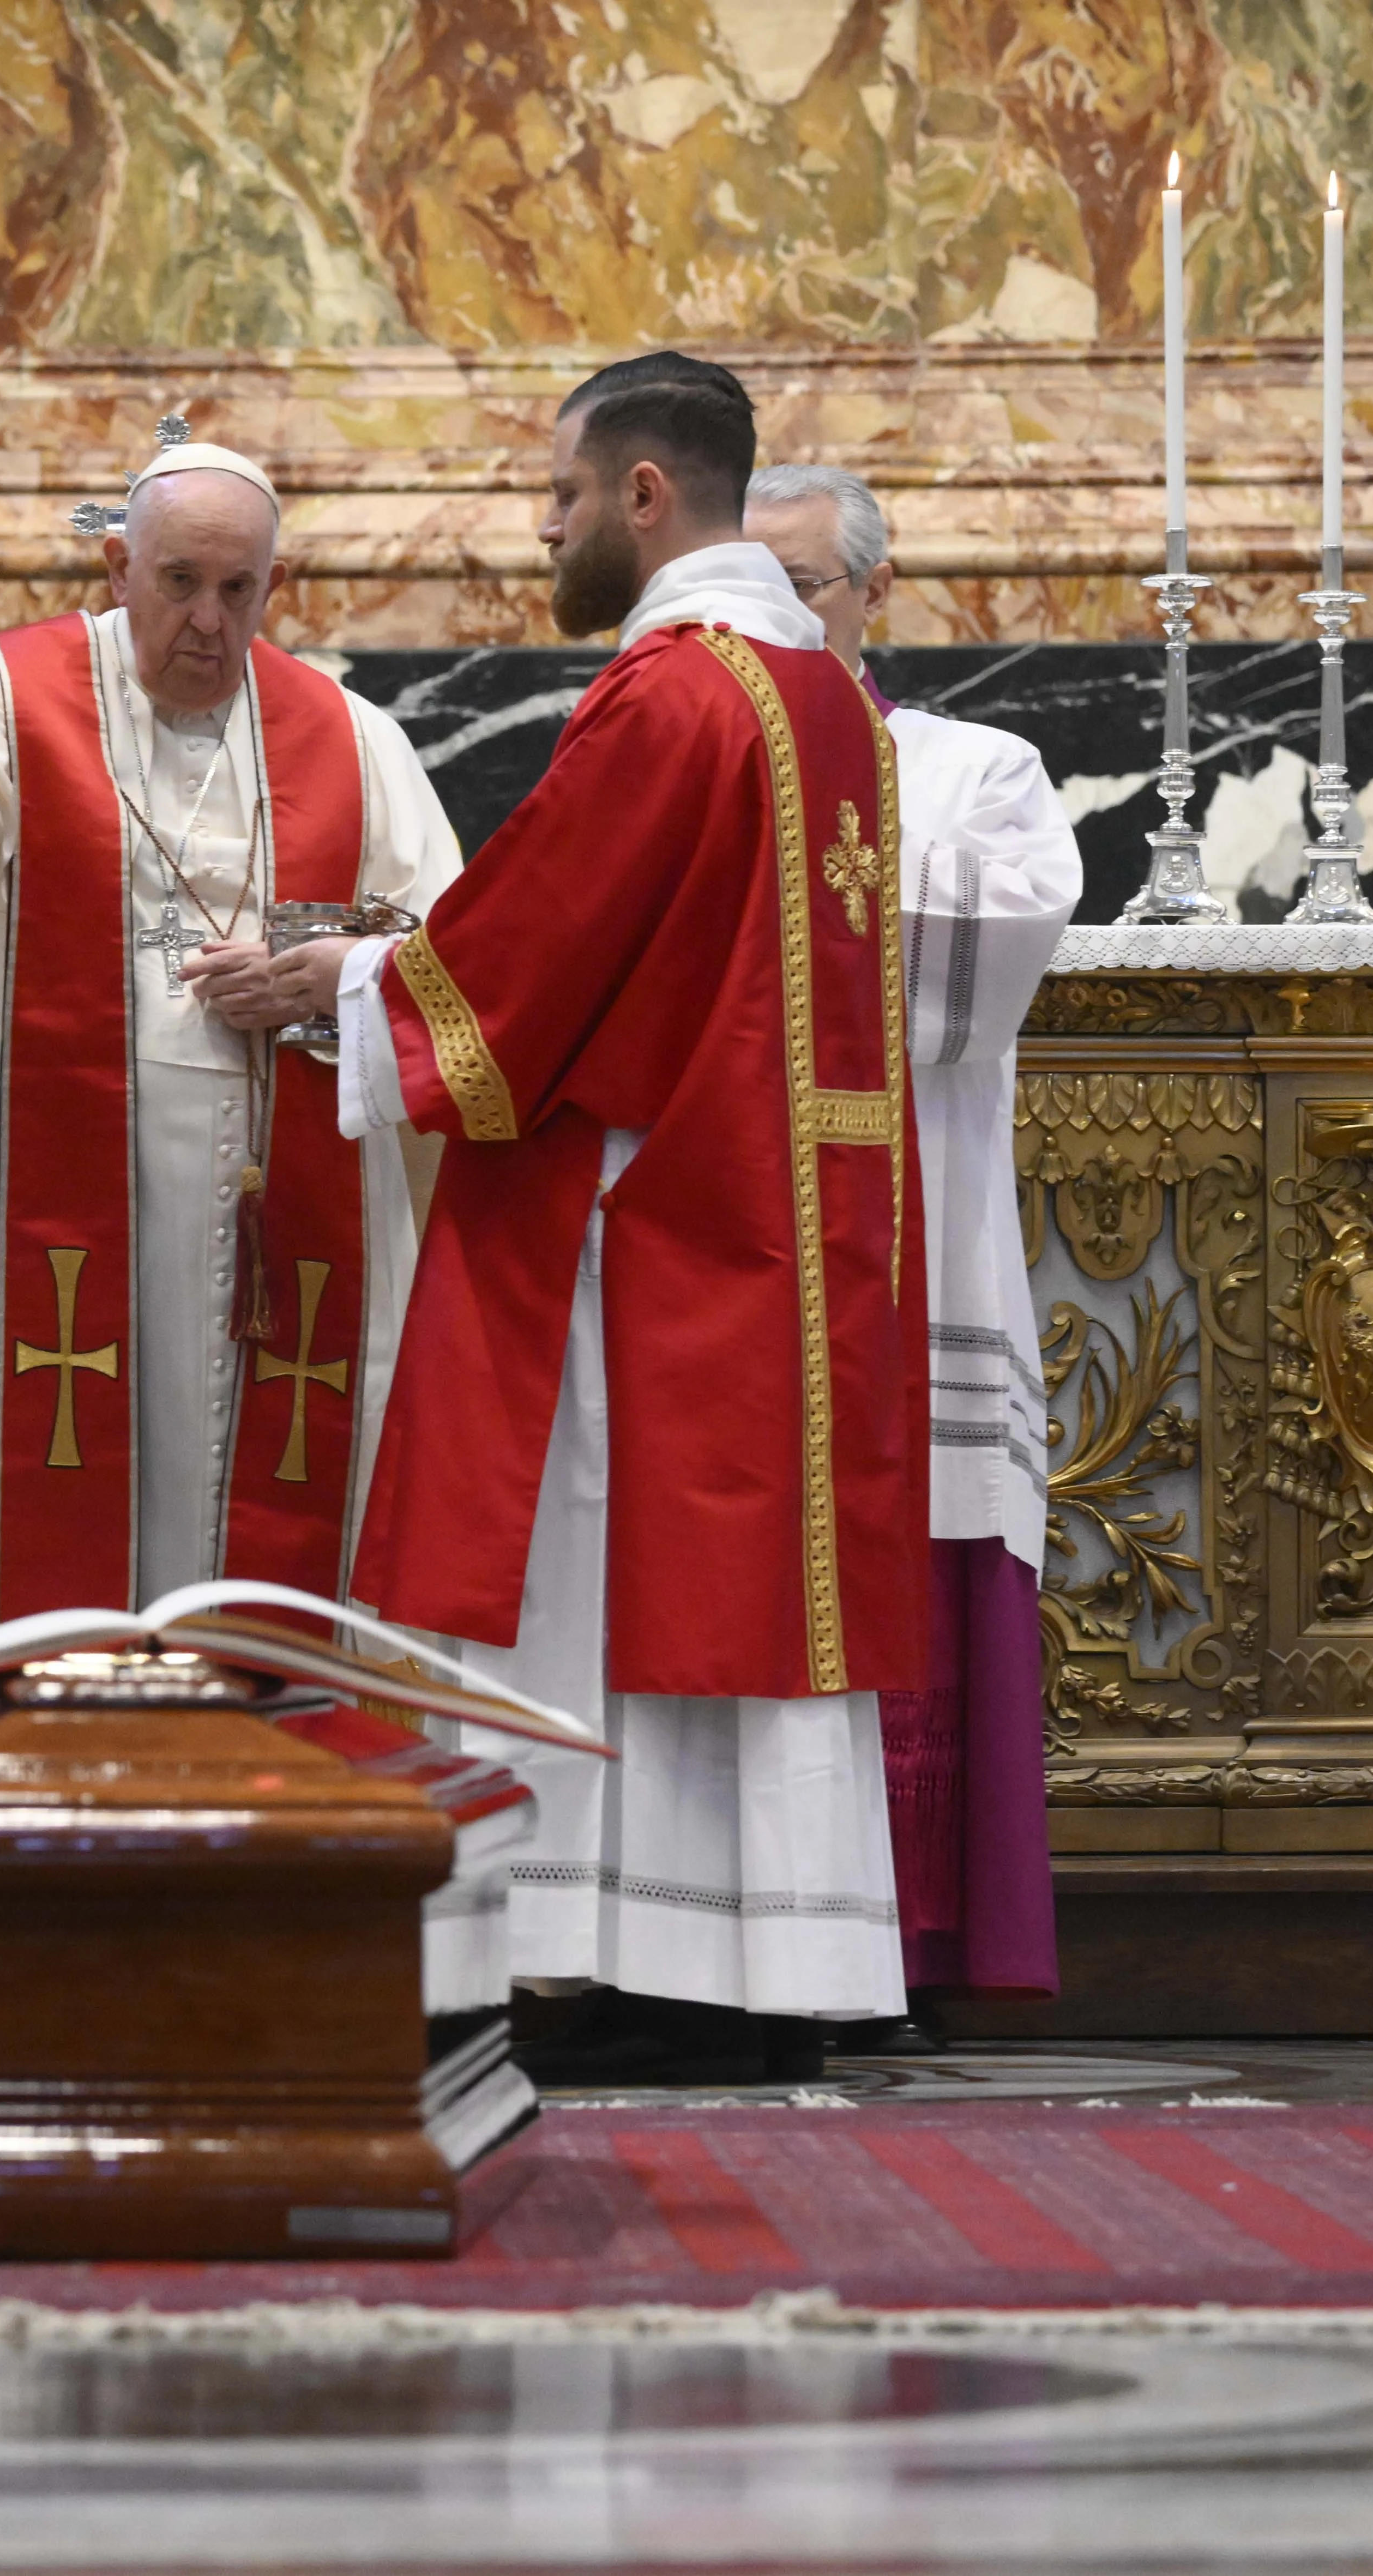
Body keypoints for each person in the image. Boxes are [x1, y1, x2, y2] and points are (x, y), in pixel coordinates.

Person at [296, 351, 929, 2085]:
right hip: (777, 1218)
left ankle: (609, 1951)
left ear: (645, 496)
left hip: (650, 1231)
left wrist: (336, 980)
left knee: (603, 1572)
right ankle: (741, 1957)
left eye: (561, 496)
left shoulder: (677, 697)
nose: (546, 526)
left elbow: (536, 961)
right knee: (729, 1595)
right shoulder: (816, 698)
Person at [0, 437, 462, 1659]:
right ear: (119, 564)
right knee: (61, 1458)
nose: (207, 620)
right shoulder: (11, 687)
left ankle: (271, 1770)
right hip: (66, 1172)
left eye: (239, 592)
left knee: (257, 1471)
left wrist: (318, 977)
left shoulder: (349, 736)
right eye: (179, 583)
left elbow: (444, 946)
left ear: (275, 590)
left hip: (282, 1198)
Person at [748, 463, 1079, 2011]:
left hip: (914, 1249)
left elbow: (977, 966)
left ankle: (923, 1942)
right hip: (728, 1265)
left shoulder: (973, 769)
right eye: (744, 593)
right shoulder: (674, 757)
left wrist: (752, 905)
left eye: (800, 589)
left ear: (873, 595)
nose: (771, 624)